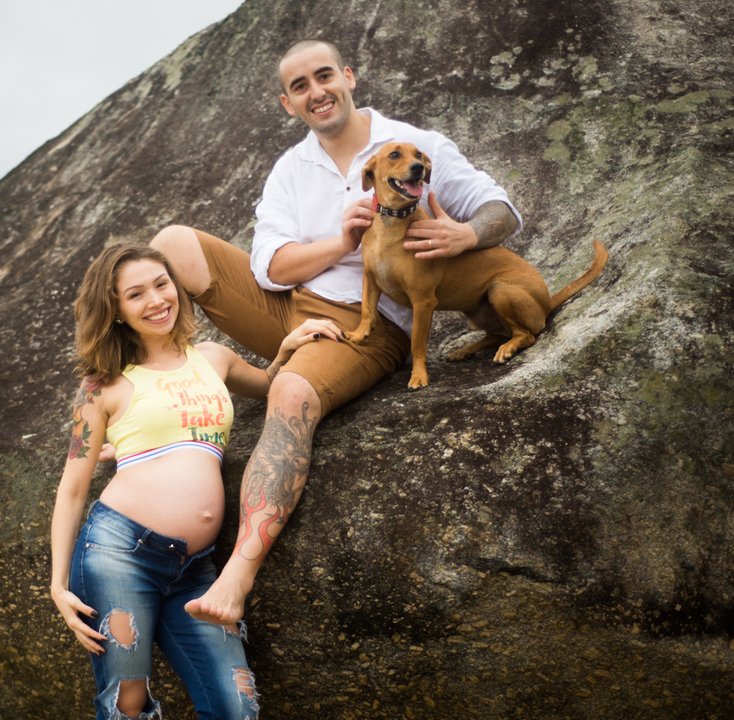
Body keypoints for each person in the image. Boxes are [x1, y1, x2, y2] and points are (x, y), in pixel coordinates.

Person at [151, 39, 523, 626]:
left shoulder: (412, 145)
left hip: (363, 324)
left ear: (348, 77)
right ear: (287, 103)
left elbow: (498, 207)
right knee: (171, 245)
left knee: (292, 394)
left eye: (325, 76)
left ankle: (236, 577)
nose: (316, 91)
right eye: (300, 86)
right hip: (287, 306)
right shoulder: (291, 167)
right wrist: (341, 241)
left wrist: (467, 236)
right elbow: (268, 263)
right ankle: (160, 388)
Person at [49, 242, 342, 720]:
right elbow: (72, 488)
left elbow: (268, 386)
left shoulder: (213, 357)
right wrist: (58, 584)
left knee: (234, 714)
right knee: (124, 708)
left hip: (194, 570)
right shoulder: (102, 387)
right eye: (135, 294)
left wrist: (287, 351)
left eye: (162, 284)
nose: (156, 300)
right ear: (115, 309)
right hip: (118, 553)